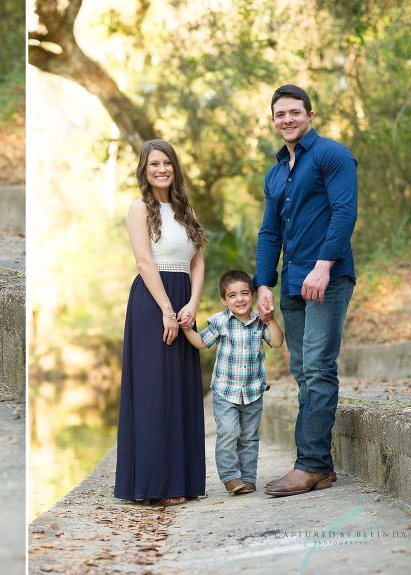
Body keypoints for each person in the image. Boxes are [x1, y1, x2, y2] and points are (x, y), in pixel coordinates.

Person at [255, 85, 357, 497]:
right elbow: (269, 231)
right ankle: (321, 467)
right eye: (280, 114)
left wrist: (324, 264)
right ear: (273, 120)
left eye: (294, 112)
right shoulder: (275, 173)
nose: (287, 120)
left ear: (309, 115)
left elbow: (344, 210)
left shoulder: (333, 155)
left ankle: (310, 466)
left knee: (317, 367)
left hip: (327, 279)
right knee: (302, 371)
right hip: (293, 283)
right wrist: (264, 282)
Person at [114, 140, 208, 506]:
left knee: (182, 391)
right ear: (144, 169)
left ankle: (181, 480)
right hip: (153, 302)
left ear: (175, 168)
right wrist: (168, 311)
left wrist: (193, 304)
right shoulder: (139, 209)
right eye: (154, 164)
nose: (162, 169)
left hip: (184, 298)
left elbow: (197, 262)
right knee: (155, 393)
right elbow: (144, 262)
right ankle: (156, 484)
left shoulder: (186, 210)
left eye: (167, 163)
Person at [181, 270, 284, 496]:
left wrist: (271, 319)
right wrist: (187, 329)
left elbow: (277, 342)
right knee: (228, 432)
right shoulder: (220, 322)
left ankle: (247, 478)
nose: (240, 299)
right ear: (224, 300)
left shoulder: (259, 321)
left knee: (249, 437)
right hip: (225, 392)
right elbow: (200, 342)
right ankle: (230, 477)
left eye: (245, 293)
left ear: (253, 296)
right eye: (233, 295)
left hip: (253, 392)